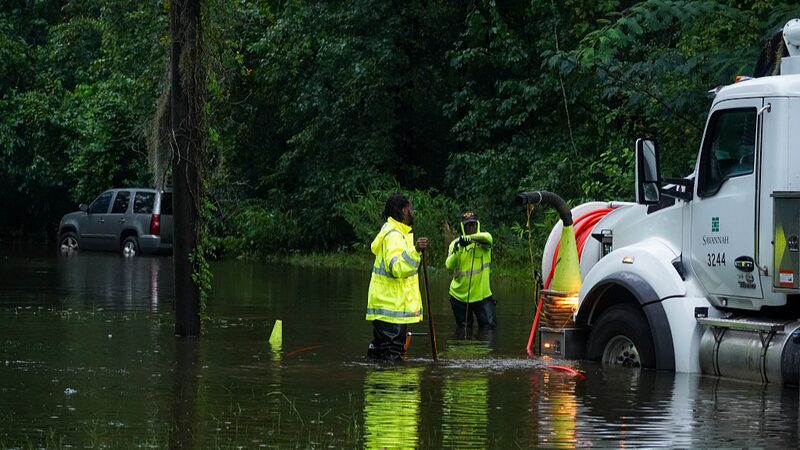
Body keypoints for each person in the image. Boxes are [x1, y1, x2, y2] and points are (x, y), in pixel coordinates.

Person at [366, 193, 429, 361]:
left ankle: (378, 384)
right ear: (403, 211)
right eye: (411, 208)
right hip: (391, 309)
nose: (412, 212)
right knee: (391, 355)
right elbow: (396, 267)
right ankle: (390, 386)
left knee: (381, 353)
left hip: (389, 307)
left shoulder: (396, 233)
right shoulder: (394, 236)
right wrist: (415, 251)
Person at [445, 210, 496, 329]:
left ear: (477, 225)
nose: (471, 227)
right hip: (459, 296)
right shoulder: (455, 244)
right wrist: (459, 250)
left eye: (473, 225)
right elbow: (449, 265)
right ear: (463, 227)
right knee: (463, 330)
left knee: (489, 329)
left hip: (482, 296)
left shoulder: (484, 242)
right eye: (468, 225)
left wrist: (469, 239)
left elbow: (488, 237)